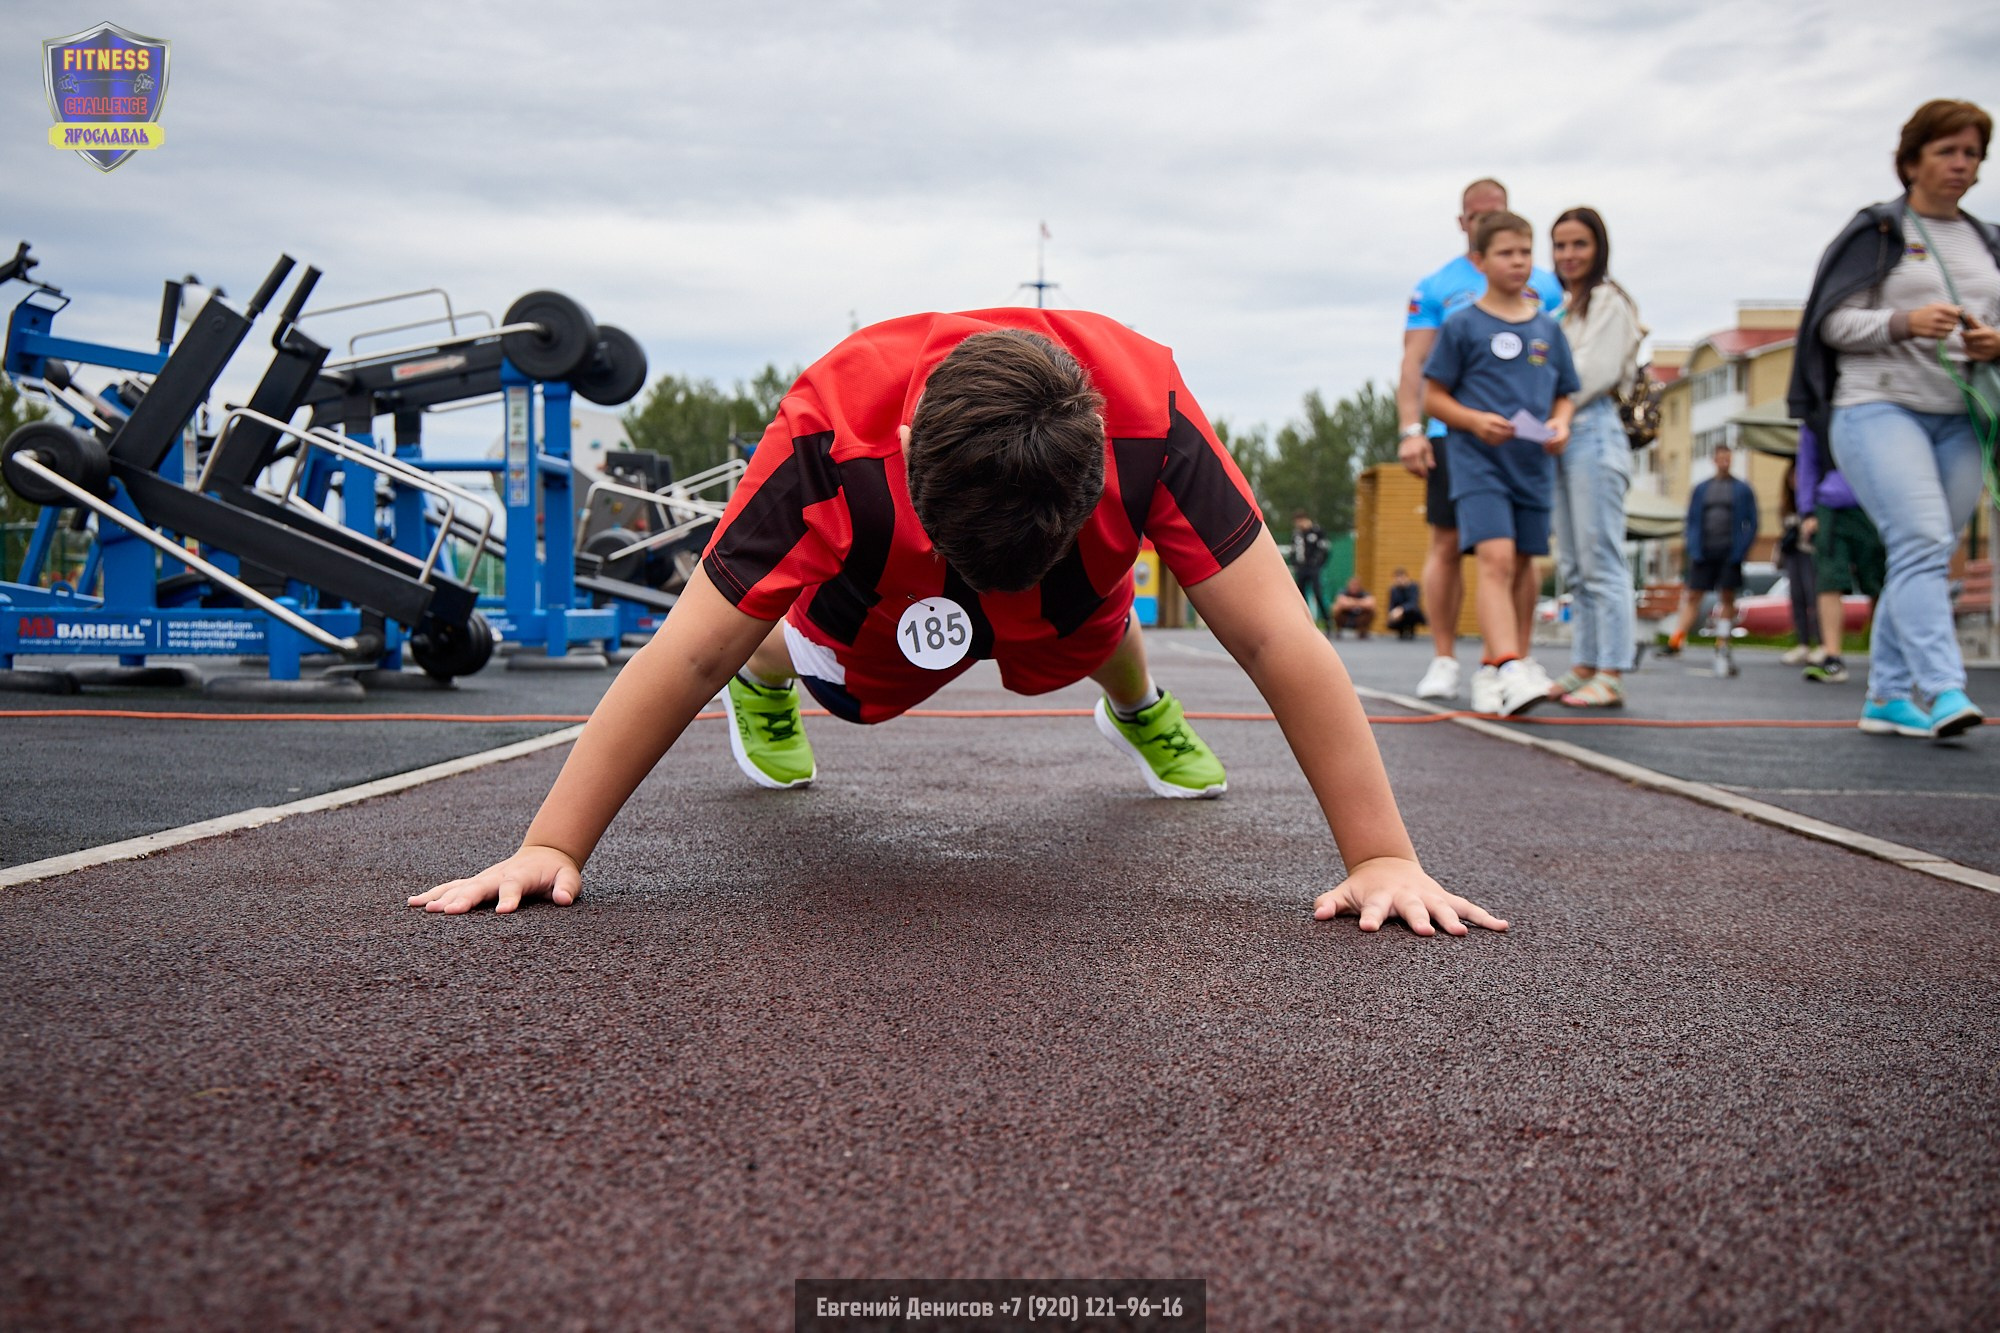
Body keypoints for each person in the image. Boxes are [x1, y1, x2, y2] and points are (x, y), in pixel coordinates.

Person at [411, 308, 1507, 937]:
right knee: (819, 667)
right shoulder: (823, 437)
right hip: (885, 586)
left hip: (1069, 563)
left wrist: (1381, 856)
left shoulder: (1151, 416)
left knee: (1075, 623)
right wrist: (550, 844)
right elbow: (687, 643)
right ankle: (779, 677)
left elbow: (1277, 638)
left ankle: (1134, 702)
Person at [1790, 98, 1998, 740]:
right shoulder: (1878, 232)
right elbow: (1830, 322)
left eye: (1972, 153)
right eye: (1946, 152)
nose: (1961, 164)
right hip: (1876, 406)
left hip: (1960, 412)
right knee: (1922, 539)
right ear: (1910, 161)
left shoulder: (1986, 240)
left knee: (1924, 553)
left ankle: (1884, 696)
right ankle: (1943, 686)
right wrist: (1903, 322)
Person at [1398, 178, 1565, 702]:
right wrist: (1412, 431)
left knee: (1519, 554)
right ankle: (1445, 658)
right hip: (1458, 435)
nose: (1485, 221)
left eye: (1497, 213)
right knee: (1448, 544)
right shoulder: (1436, 286)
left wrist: (1560, 421)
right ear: (1462, 222)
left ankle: (1511, 658)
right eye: (1476, 215)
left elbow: (1558, 366)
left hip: (1527, 441)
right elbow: (1415, 365)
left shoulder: (1545, 286)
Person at [1546, 207, 1644, 708]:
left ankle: (1612, 669)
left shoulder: (1609, 301)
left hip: (1594, 432)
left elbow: (1589, 373)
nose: (1569, 255)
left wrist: (1536, 396)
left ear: (1598, 247)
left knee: (1601, 554)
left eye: (1579, 244)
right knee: (1575, 561)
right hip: (1561, 437)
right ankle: (1585, 662)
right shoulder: (1566, 310)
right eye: (1560, 245)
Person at [1795, 423, 1884, 684]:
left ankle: (1885, 659)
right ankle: (1832, 657)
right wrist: (1807, 511)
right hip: (1832, 508)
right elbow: (1807, 463)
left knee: (1880, 584)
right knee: (1829, 580)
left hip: (1875, 506)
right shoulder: (1819, 414)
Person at [1663, 444, 1757, 668]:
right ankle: (1676, 640)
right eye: (1721, 458)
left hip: (1730, 551)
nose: (1724, 462)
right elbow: (1692, 519)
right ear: (1714, 460)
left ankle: (1722, 641)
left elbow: (1752, 522)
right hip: (1704, 551)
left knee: (1727, 596)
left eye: (1728, 458)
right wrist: (1693, 547)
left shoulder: (1742, 489)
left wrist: (1741, 549)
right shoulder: (1702, 489)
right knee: (1694, 595)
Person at [1777, 458, 1823, 667]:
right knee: (1797, 597)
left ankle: (1823, 643)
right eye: (1792, 476)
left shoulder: (1815, 502)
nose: (1795, 480)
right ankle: (1802, 643)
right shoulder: (1787, 503)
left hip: (1810, 553)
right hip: (1793, 554)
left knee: (1814, 597)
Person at [1290, 509, 1332, 627]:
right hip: (1301, 569)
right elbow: (1293, 550)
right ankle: (1302, 622)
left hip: (1314, 568)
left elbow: (1324, 549)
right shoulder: (1297, 534)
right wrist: (1296, 565)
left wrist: (1318, 564)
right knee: (1300, 596)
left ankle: (1327, 620)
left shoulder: (1317, 531)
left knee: (1317, 593)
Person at [1386, 567, 1427, 640]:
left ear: (1406, 577)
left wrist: (1401, 609)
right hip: (1398, 615)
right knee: (1393, 618)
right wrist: (1391, 613)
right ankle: (1400, 630)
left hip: (1411, 613)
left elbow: (1413, 603)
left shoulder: (1414, 587)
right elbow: (1391, 605)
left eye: (1401, 578)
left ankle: (1411, 629)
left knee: (1411, 611)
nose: (1399, 580)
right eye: (1397, 578)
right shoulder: (1394, 590)